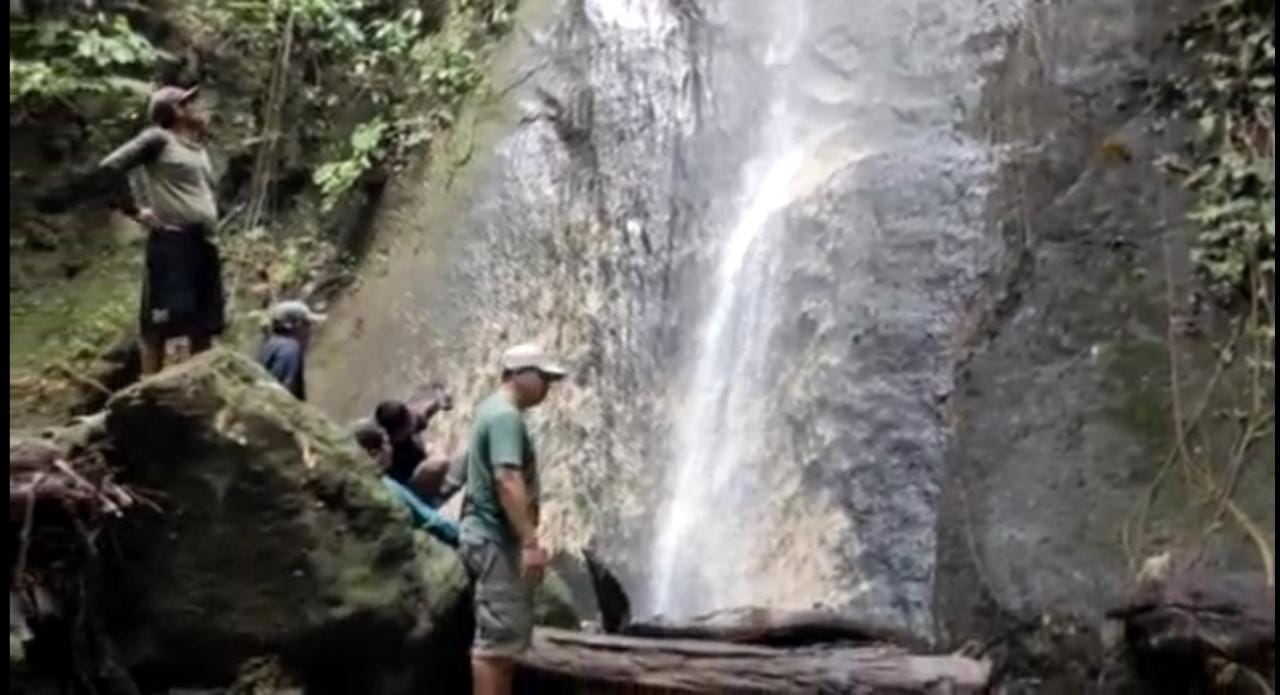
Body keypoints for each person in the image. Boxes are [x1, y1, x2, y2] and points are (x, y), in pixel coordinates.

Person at [37, 85, 225, 375]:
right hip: (173, 243)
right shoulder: (158, 139)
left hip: (204, 242)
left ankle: (201, 387)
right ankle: (150, 388)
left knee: (203, 322)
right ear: (175, 111)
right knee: (159, 323)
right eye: (190, 103)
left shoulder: (198, 148)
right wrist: (135, 210)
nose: (198, 108)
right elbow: (112, 166)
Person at [460, 343, 568, 695]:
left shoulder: (489, 409)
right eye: (544, 378)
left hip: (484, 535)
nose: (548, 387)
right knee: (496, 651)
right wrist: (530, 542)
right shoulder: (506, 417)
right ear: (520, 375)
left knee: (501, 645)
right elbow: (507, 480)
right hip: (496, 540)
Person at [351, 420, 465, 547]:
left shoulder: (356, 484)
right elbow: (433, 522)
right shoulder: (386, 487)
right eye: (387, 442)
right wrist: (466, 536)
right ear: (374, 454)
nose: (391, 447)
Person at [374, 388, 455, 503]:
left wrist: (440, 403)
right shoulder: (387, 457)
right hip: (411, 488)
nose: (411, 426)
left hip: (422, 467)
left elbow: (425, 414)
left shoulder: (408, 425)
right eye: (408, 426)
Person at [257, 300, 326, 400]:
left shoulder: (271, 344)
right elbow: (280, 394)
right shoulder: (290, 350)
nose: (310, 331)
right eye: (307, 324)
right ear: (293, 326)